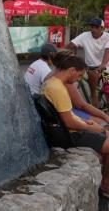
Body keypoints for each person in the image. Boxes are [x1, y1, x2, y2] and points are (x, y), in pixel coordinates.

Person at [41, 55, 109, 196]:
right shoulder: (58, 89)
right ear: (72, 70)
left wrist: (86, 122)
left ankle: (104, 180)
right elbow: (69, 122)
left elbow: (68, 115)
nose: (78, 79)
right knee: (104, 133)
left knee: (106, 134)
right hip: (70, 135)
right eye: (79, 75)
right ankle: (106, 186)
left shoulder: (51, 83)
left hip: (65, 130)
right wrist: (91, 127)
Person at [44, 50, 109, 127]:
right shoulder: (64, 81)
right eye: (73, 60)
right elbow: (81, 105)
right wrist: (103, 116)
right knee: (104, 123)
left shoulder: (53, 75)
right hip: (65, 115)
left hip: (58, 114)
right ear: (68, 65)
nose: (77, 62)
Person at [65, 18, 109, 108]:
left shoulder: (107, 37)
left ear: (102, 28)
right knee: (94, 92)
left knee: (108, 90)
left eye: (96, 27)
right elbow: (71, 45)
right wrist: (69, 55)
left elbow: (107, 51)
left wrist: (103, 65)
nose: (93, 29)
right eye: (91, 27)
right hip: (91, 69)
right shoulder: (85, 35)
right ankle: (97, 113)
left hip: (106, 68)